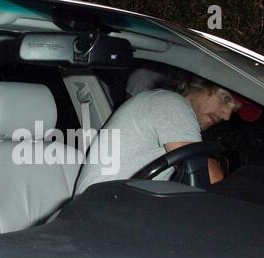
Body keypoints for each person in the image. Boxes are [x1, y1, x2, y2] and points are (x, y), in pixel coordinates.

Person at [75, 75, 262, 194]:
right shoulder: (171, 104)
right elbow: (209, 180)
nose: (227, 115)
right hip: (101, 215)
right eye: (226, 98)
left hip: (114, 210)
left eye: (234, 110)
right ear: (199, 83)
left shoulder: (163, 105)